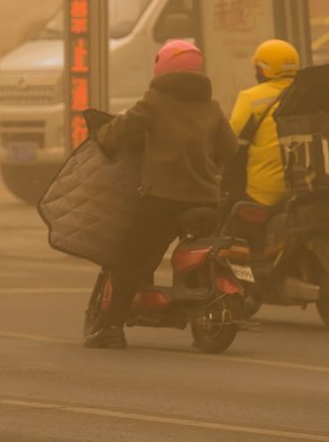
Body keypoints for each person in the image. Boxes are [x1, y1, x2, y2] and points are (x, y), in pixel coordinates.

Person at [84, 40, 237, 350]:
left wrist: (101, 135)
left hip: (164, 201)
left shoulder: (155, 101)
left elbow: (121, 131)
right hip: (207, 200)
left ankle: (111, 328)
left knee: (128, 257)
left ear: (161, 67)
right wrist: (210, 169)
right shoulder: (212, 107)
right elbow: (230, 148)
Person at [227, 39, 300, 208]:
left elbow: (231, 139)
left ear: (263, 69)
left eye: (257, 68)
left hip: (265, 192)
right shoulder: (304, 92)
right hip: (302, 186)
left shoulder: (250, 97)